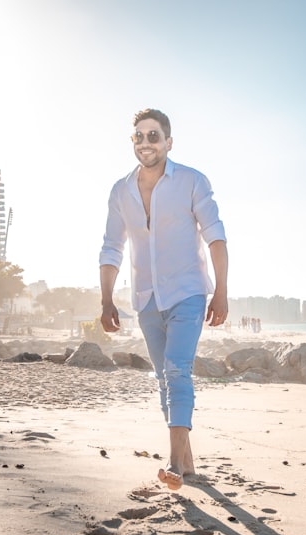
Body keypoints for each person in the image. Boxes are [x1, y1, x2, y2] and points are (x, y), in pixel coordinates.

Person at [99, 108, 229, 491]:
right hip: (146, 298)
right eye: (138, 136)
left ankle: (173, 462)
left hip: (188, 291)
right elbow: (111, 246)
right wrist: (106, 299)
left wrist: (220, 291)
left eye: (153, 136)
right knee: (162, 378)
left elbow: (215, 236)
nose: (146, 143)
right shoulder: (120, 191)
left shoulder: (192, 181)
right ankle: (187, 461)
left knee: (176, 370)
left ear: (168, 142)